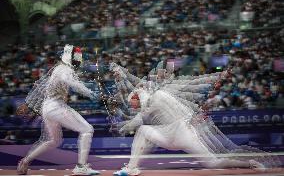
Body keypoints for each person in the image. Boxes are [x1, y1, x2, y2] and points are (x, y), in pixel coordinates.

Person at [109, 63, 280, 176]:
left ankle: (250, 163)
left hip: (183, 133)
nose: (129, 105)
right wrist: (122, 127)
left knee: (213, 164)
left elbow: (142, 101)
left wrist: (122, 76)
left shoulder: (150, 96)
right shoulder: (148, 102)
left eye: (130, 101)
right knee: (143, 131)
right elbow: (139, 116)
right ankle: (131, 168)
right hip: (168, 135)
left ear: (136, 96)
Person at [17, 45, 100, 175]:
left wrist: (87, 87)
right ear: (70, 57)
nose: (78, 60)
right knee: (87, 129)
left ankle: (25, 161)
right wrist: (90, 92)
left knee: (53, 141)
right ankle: (81, 166)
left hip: (48, 108)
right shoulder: (64, 69)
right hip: (56, 107)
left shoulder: (60, 69)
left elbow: (73, 82)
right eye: (77, 58)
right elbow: (72, 82)